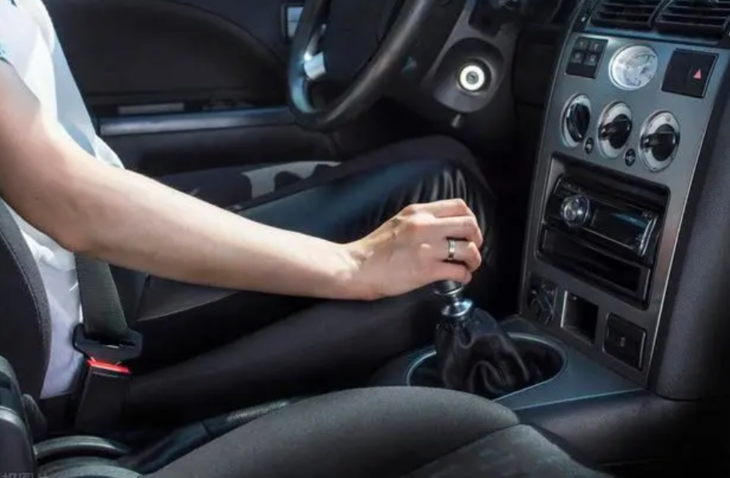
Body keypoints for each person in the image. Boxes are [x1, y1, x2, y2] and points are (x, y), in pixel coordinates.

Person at [0, 0, 498, 417]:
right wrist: (354, 264)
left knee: (437, 176)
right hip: (87, 323)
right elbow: (69, 200)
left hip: (84, 271)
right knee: (447, 206)